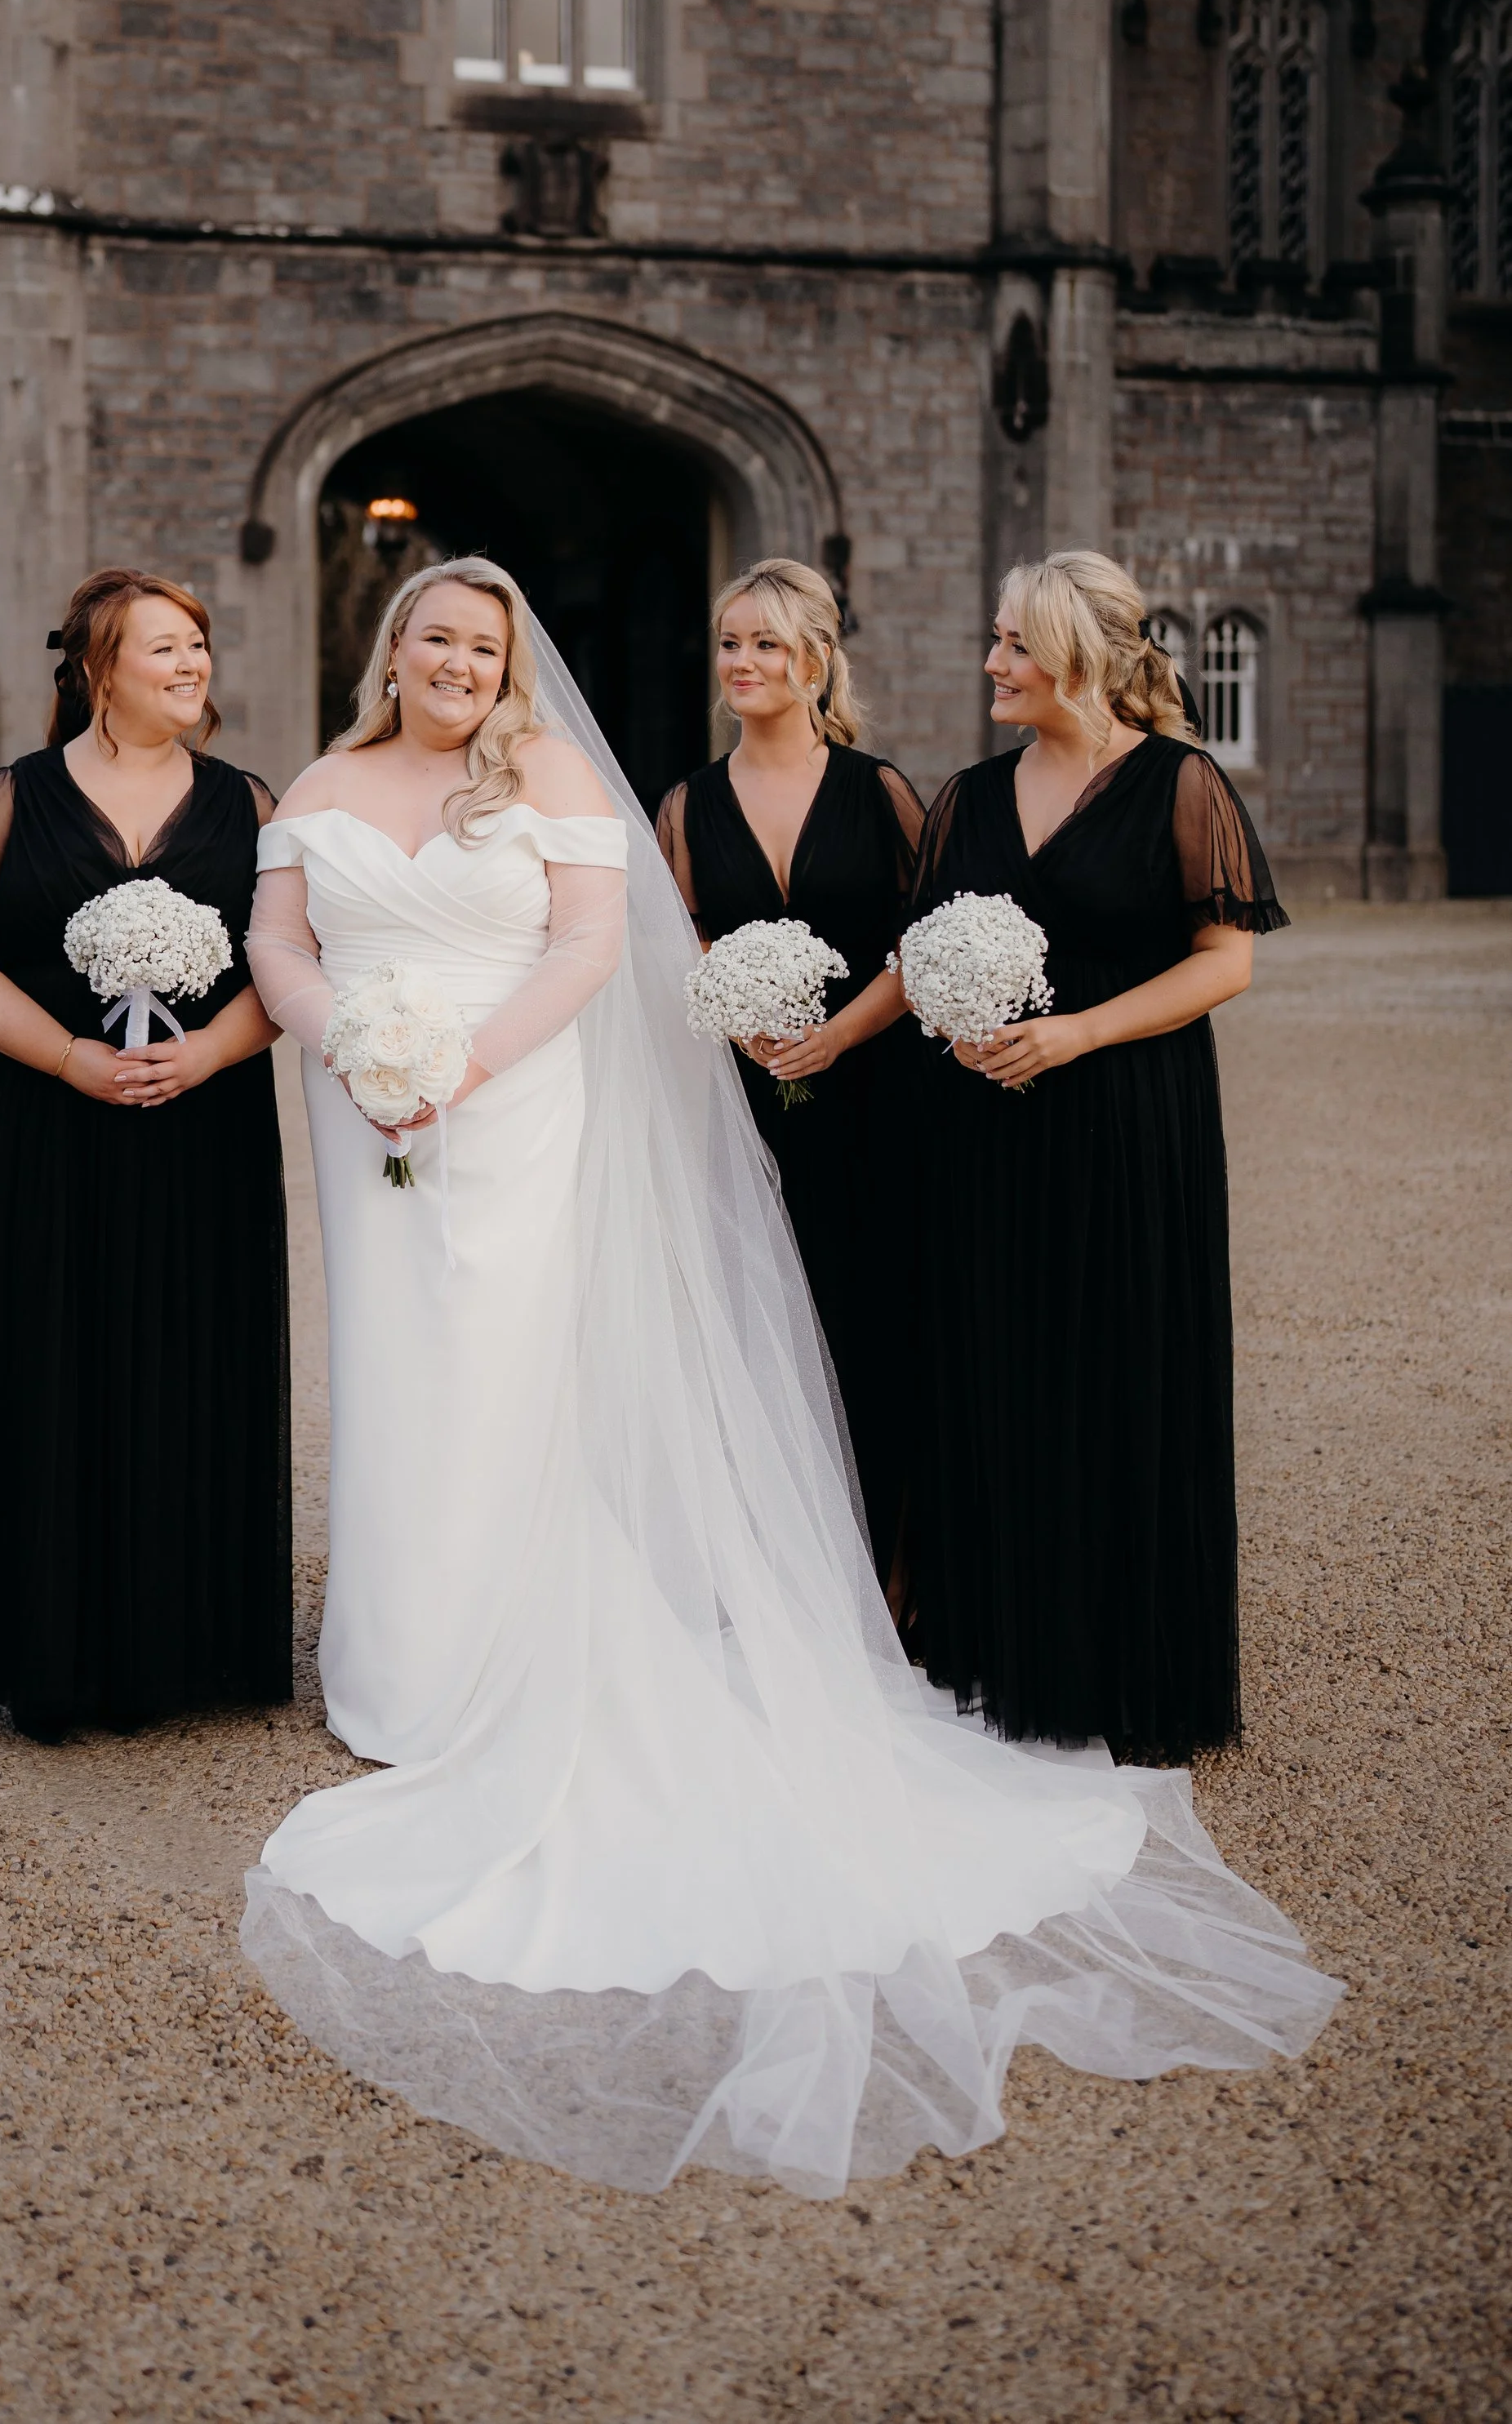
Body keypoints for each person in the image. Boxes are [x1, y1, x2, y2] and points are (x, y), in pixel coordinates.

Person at [238, 554, 1337, 2203]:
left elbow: (708, 942)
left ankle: (939, 1612)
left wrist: (838, 1038)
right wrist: (355, 1042)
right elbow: (293, 936)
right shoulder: (365, 784)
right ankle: (410, 1657)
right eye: (433, 637)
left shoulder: (900, 790)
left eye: (480, 641)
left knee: (858, 1361)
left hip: (802, 1106)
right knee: (402, 1389)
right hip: (410, 1109)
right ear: (390, 647)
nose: (456, 661)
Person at [902, 547, 1285, 1766]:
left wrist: (1075, 1033)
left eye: (1014, 642)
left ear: (1074, 650)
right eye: (997, 638)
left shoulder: (1180, 782)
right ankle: (1009, 1645)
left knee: (1124, 1364)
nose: (993, 662)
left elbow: (1225, 961)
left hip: (1129, 1121)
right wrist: (962, 1032)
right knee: (996, 1364)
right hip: (986, 1131)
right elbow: (923, 953)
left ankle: (1125, 1661)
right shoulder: (967, 794)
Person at [0, 567, 289, 1742]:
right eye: (165, 649)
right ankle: (50, 1647)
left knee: (190, 1349)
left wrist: (214, 1054)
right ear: (97, 670)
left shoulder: (252, 804)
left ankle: (184, 1645)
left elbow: (290, 966)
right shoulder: (15, 797)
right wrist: (72, 1056)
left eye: (199, 648)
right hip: (47, 1126)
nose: (192, 668)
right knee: (52, 1350)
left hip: (204, 1131)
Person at [656, 560, 923, 1581]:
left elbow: (924, 946)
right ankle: (783, 1575)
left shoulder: (879, 791)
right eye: (731, 642)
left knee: (874, 1320)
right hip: (746, 1104)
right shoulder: (686, 806)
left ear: (815, 661)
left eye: (767, 644)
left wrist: (838, 1035)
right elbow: (675, 951)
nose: (743, 663)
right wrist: (743, 1028)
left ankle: (890, 1576)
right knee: (761, 1326)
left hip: (875, 1099)